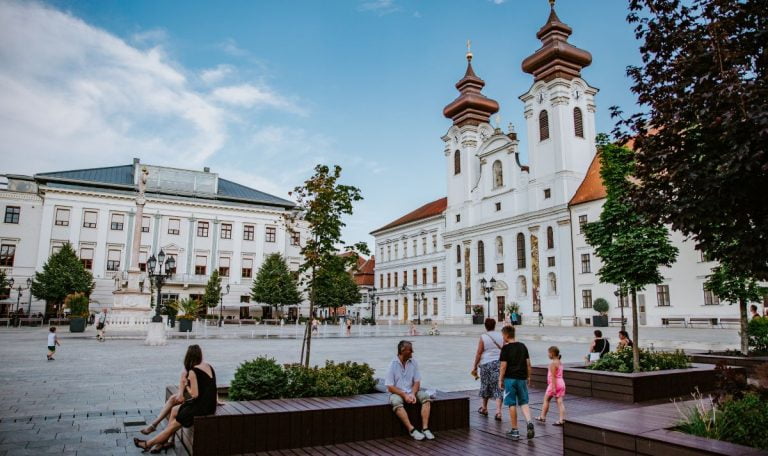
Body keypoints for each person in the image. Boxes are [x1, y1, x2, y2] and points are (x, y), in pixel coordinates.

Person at [134, 345, 218, 453]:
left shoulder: (193, 371)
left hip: (201, 407)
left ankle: (148, 444)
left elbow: (195, 394)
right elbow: (213, 387)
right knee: (174, 410)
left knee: (173, 425)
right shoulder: (208, 366)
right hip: (208, 404)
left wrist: (186, 384)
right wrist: (217, 400)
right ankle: (163, 442)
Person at [385, 340, 435, 441]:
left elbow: (417, 382)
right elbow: (390, 386)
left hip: (412, 391)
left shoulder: (414, 363)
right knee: (395, 402)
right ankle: (411, 430)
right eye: (410, 350)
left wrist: (412, 393)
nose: (413, 352)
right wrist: (404, 395)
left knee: (426, 397)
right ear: (403, 351)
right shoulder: (392, 364)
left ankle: (425, 428)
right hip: (397, 392)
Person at [498, 325, 534, 440]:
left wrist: (500, 379)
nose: (502, 337)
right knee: (524, 402)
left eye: (502, 335)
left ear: (506, 335)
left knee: (511, 403)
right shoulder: (523, 346)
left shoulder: (505, 349)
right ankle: (529, 422)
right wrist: (528, 377)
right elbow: (528, 364)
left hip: (510, 379)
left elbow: (503, 366)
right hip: (522, 378)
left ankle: (515, 430)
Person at [139, 369, 189, 441]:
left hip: (199, 400)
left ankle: (163, 437)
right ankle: (157, 428)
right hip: (193, 396)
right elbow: (183, 377)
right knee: (173, 399)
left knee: (174, 406)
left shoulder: (199, 368)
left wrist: (186, 388)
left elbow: (196, 393)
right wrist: (180, 393)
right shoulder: (189, 369)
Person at [471, 318, 504, 421]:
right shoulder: (500, 336)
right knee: (498, 387)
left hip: (486, 364)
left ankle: (484, 408)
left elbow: (479, 353)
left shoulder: (483, 337)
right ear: (495, 325)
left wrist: (475, 366)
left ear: (485, 326)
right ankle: (498, 412)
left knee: (485, 385)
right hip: (498, 364)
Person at [536, 346, 566, 426]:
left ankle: (542, 417)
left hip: (554, 384)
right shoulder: (559, 362)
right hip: (561, 383)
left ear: (552, 354)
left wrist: (553, 387)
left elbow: (553, 376)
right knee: (560, 402)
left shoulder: (553, 364)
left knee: (546, 400)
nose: (548, 355)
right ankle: (561, 419)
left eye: (548, 353)